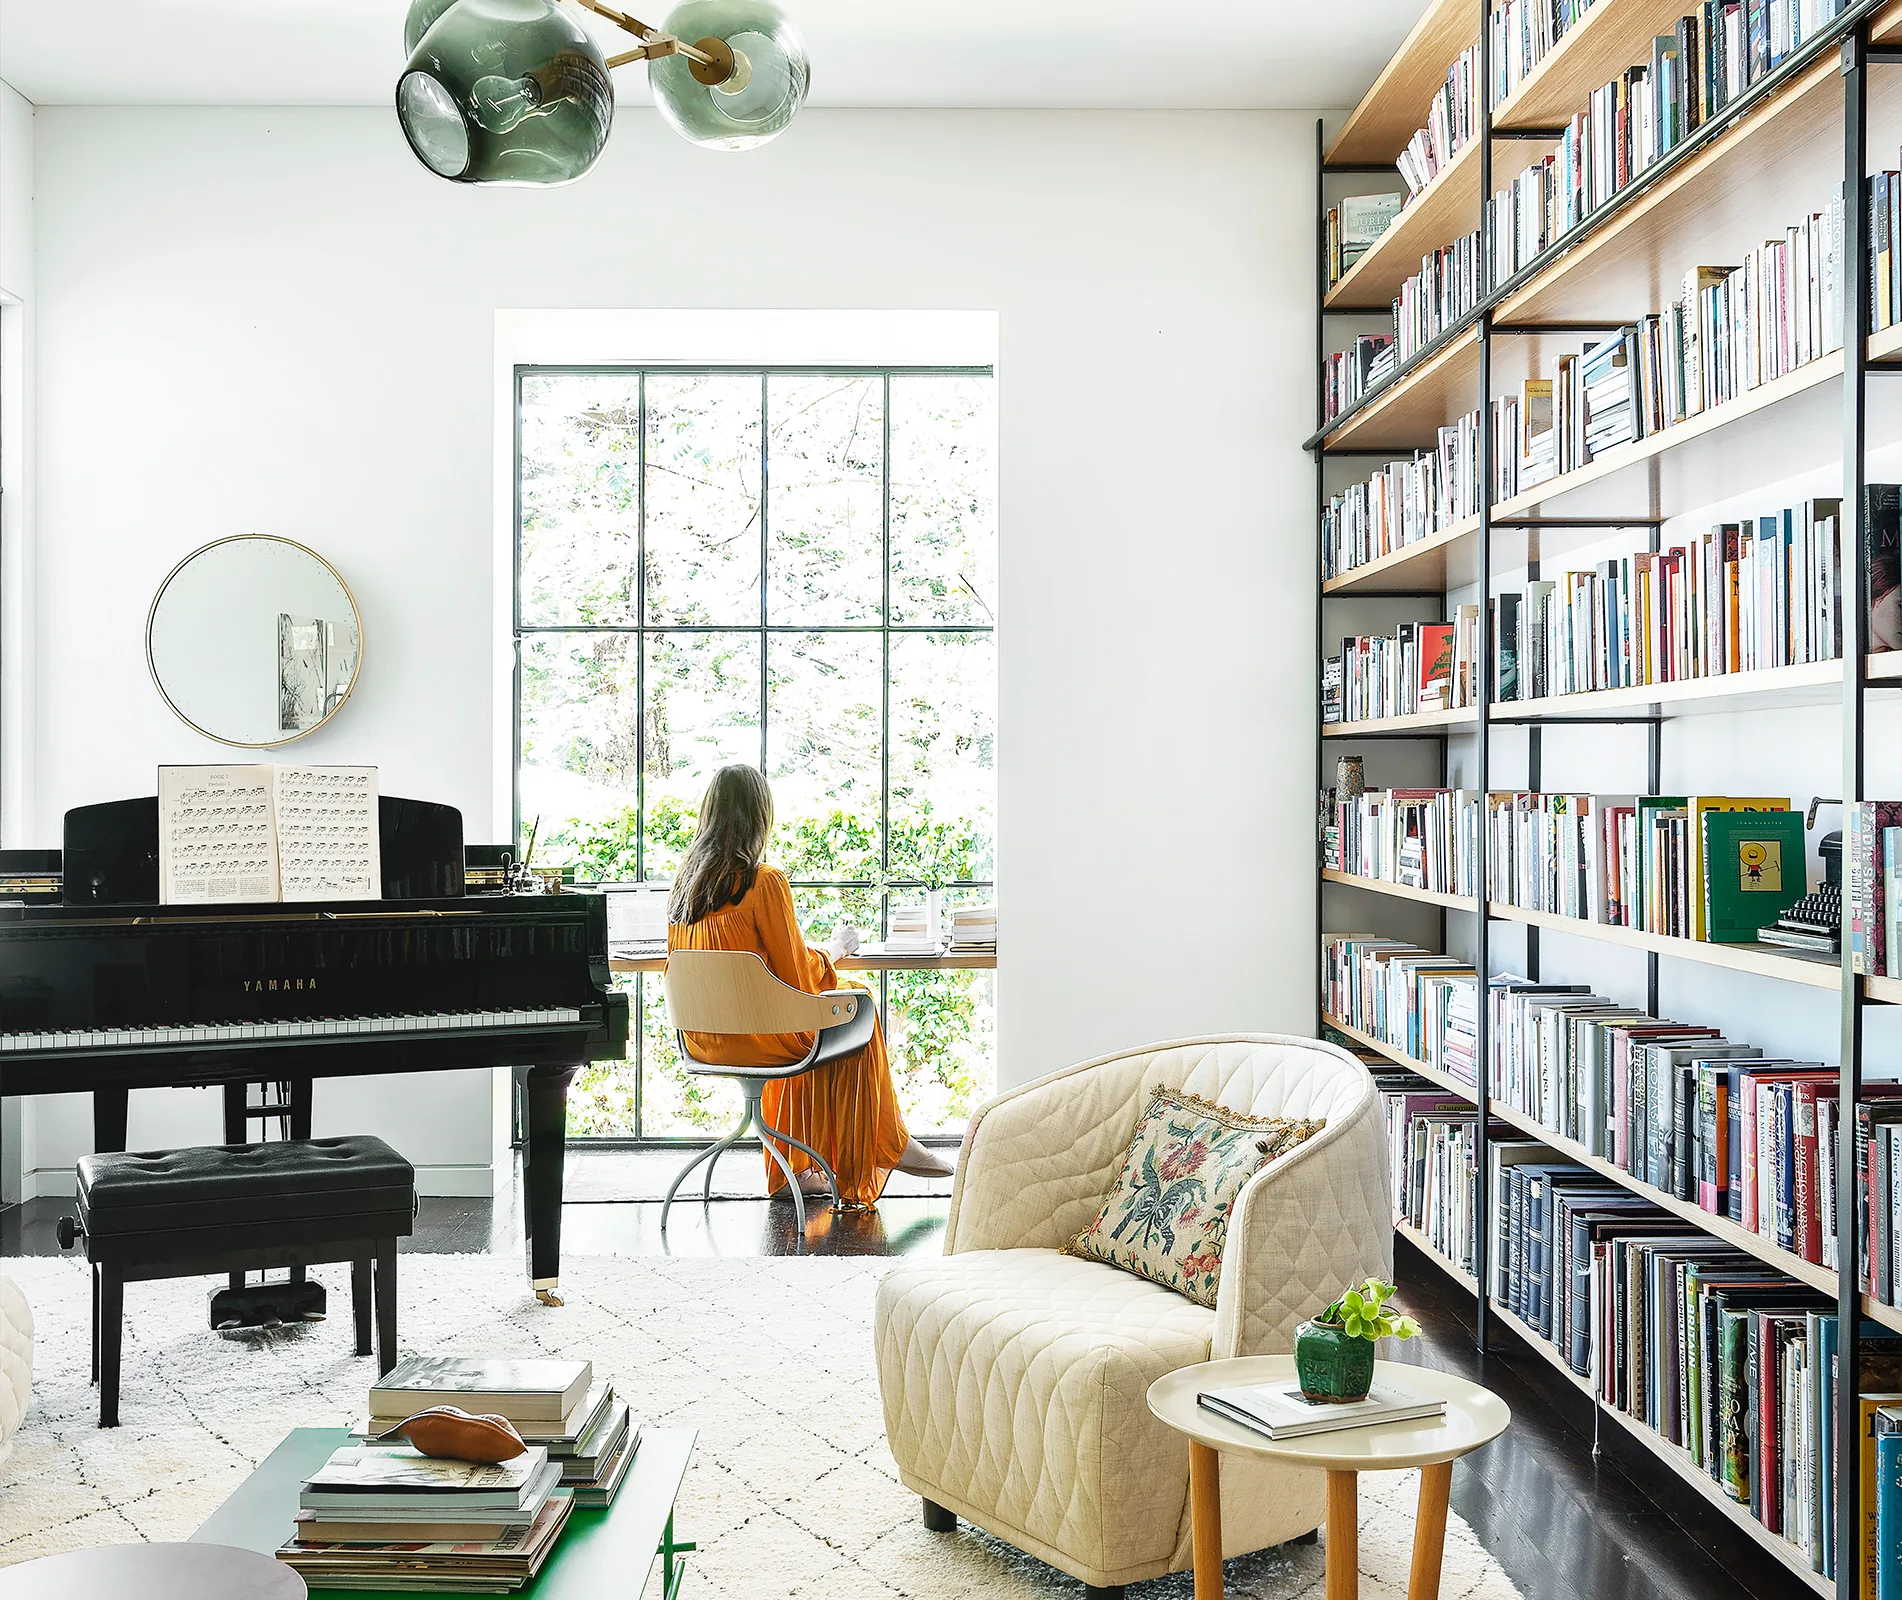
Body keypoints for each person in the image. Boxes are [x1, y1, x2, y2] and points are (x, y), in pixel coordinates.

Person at [666, 764, 956, 1208]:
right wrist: (835, 951)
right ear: (760, 816)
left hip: (703, 1041)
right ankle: (887, 1145)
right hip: (762, 1039)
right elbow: (797, 981)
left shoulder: (683, 887)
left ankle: (793, 1170)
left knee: (809, 1012)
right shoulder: (764, 881)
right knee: (857, 1003)